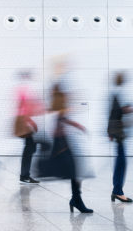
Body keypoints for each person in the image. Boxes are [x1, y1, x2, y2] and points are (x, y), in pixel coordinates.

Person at [38, 84, 93, 213]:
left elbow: (62, 117)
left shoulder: (57, 103)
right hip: (60, 144)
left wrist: (77, 125)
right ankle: (76, 200)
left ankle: (76, 199)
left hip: (62, 143)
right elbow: (59, 115)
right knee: (74, 172)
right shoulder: (56, 103)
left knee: (75, 173)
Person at [14, 70, 45, 184]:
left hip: (25, 121)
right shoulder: (24, 90)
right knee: (29, 148)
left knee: (30, 148)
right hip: (25, 122)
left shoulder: (23, 89)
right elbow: (23, 107)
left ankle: (25, 175)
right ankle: (25, 176)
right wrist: (30, 121)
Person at [108, 72, 133, 203]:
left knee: (121, 161)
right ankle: (117, 191)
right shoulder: (119, 93)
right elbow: (117, 112)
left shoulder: (116, 93)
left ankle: (117, 190)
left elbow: (112, 112)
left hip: (118, 133)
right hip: (119, 133)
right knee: (121, 162)